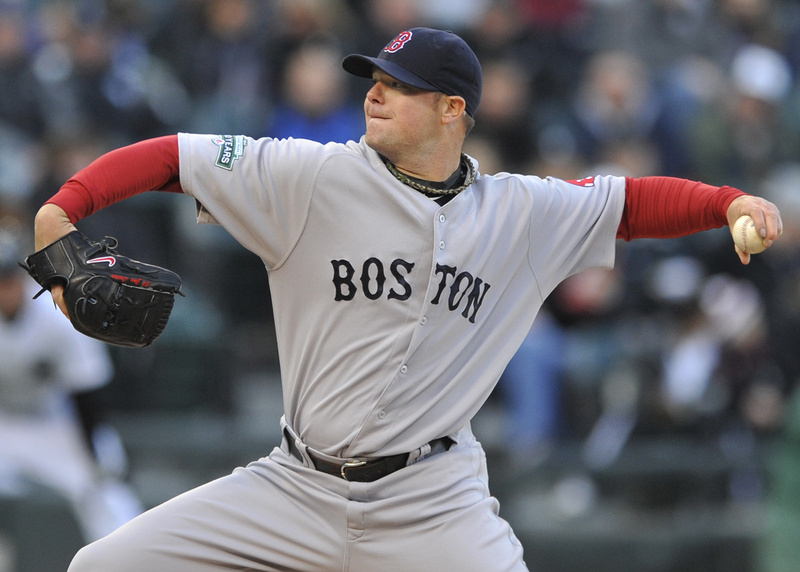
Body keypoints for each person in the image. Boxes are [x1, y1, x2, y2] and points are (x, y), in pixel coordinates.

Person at [30, 27, 781, 572]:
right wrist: (60, 211)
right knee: (105, 567)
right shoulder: (309, 177)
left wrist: (729, 203)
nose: (375, 92)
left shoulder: (522, 211)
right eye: (373, 78)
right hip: (295, 484)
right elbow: (173, 157)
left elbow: (633, 204)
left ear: (453, 109)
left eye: (397, 83)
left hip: (433, 499)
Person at [0, 220, 143, 545]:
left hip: (54, 423)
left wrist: (94, 455)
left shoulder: (56, 318)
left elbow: (87, 394)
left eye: (7, 278)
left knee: (105, 487)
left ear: (21, 278)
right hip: (4, 424)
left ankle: (131, 557)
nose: (3, 289)